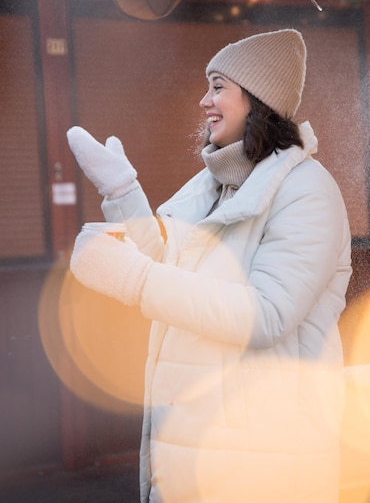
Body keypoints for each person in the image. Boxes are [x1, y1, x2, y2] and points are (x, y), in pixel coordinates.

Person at [67, 29, 352, 503]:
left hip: (266, 460)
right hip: (197, 451)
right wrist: (122, 194)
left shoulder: (306, 192)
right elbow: (168, 260)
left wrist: (133, 279)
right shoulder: (218, 184)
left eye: (218, 86)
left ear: (257, 98)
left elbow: (265, 316)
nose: (204, 101)